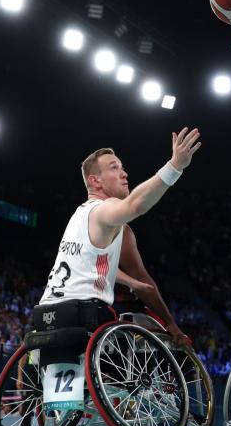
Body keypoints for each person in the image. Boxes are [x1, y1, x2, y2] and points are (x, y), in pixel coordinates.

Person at [33, 129, 201, 407]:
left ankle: (58, 411)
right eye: (114, 168)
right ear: (94, 181)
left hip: (45, 316)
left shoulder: (77, 216)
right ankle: (154, 405)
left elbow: (102, 268)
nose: (124, 173)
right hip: (85, 316)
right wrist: (174, 167)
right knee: (150, 335)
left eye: (122, 167)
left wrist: (124, 280)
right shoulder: (104, 211)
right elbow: (136, 205)